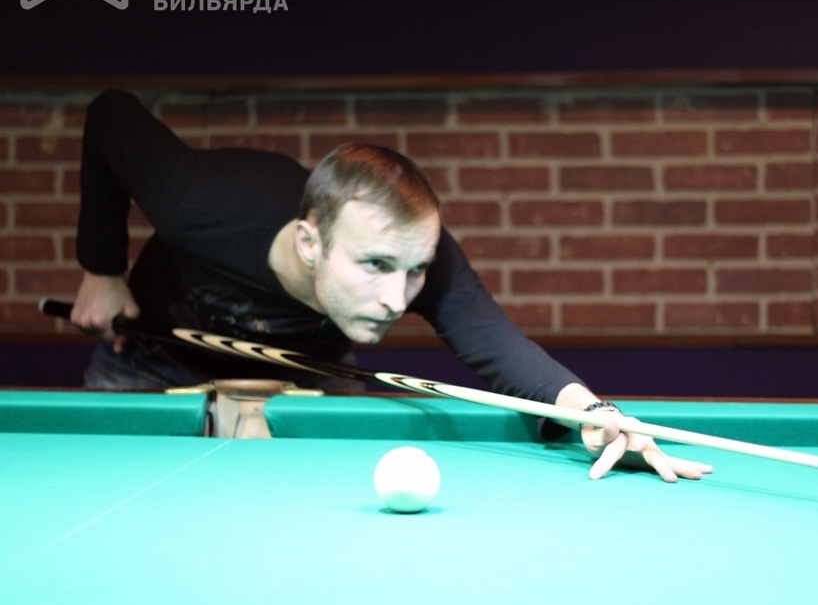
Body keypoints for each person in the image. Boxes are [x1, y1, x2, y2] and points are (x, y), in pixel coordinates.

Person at [71, 89, 712, 483]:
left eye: (416, 271)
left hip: (311, 375)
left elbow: (494, 340)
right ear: (310, 243)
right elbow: (109, 114)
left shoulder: (416, 255)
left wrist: (596, 414)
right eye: (375, 266)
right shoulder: (200, 203)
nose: (399, 299)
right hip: (152, 362)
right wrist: (102, 269)